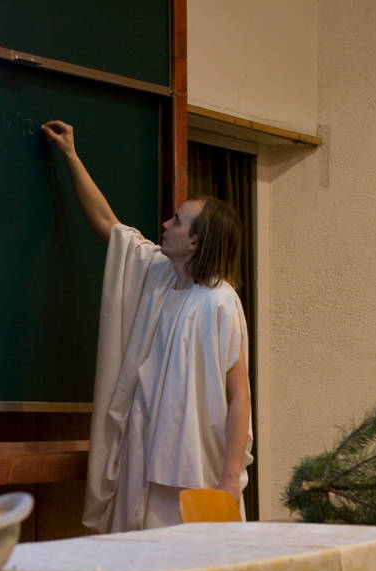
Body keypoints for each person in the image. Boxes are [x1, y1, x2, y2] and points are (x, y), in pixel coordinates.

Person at [42, 120, 253, 533]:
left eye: (177, 221)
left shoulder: (220, 302)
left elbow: (239, 394)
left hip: (195, 470)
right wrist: (70, 155)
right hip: (141, 458)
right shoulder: (157, 274)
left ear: (195, 242)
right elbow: (106, 222)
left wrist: (230, 480)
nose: (166, 225)